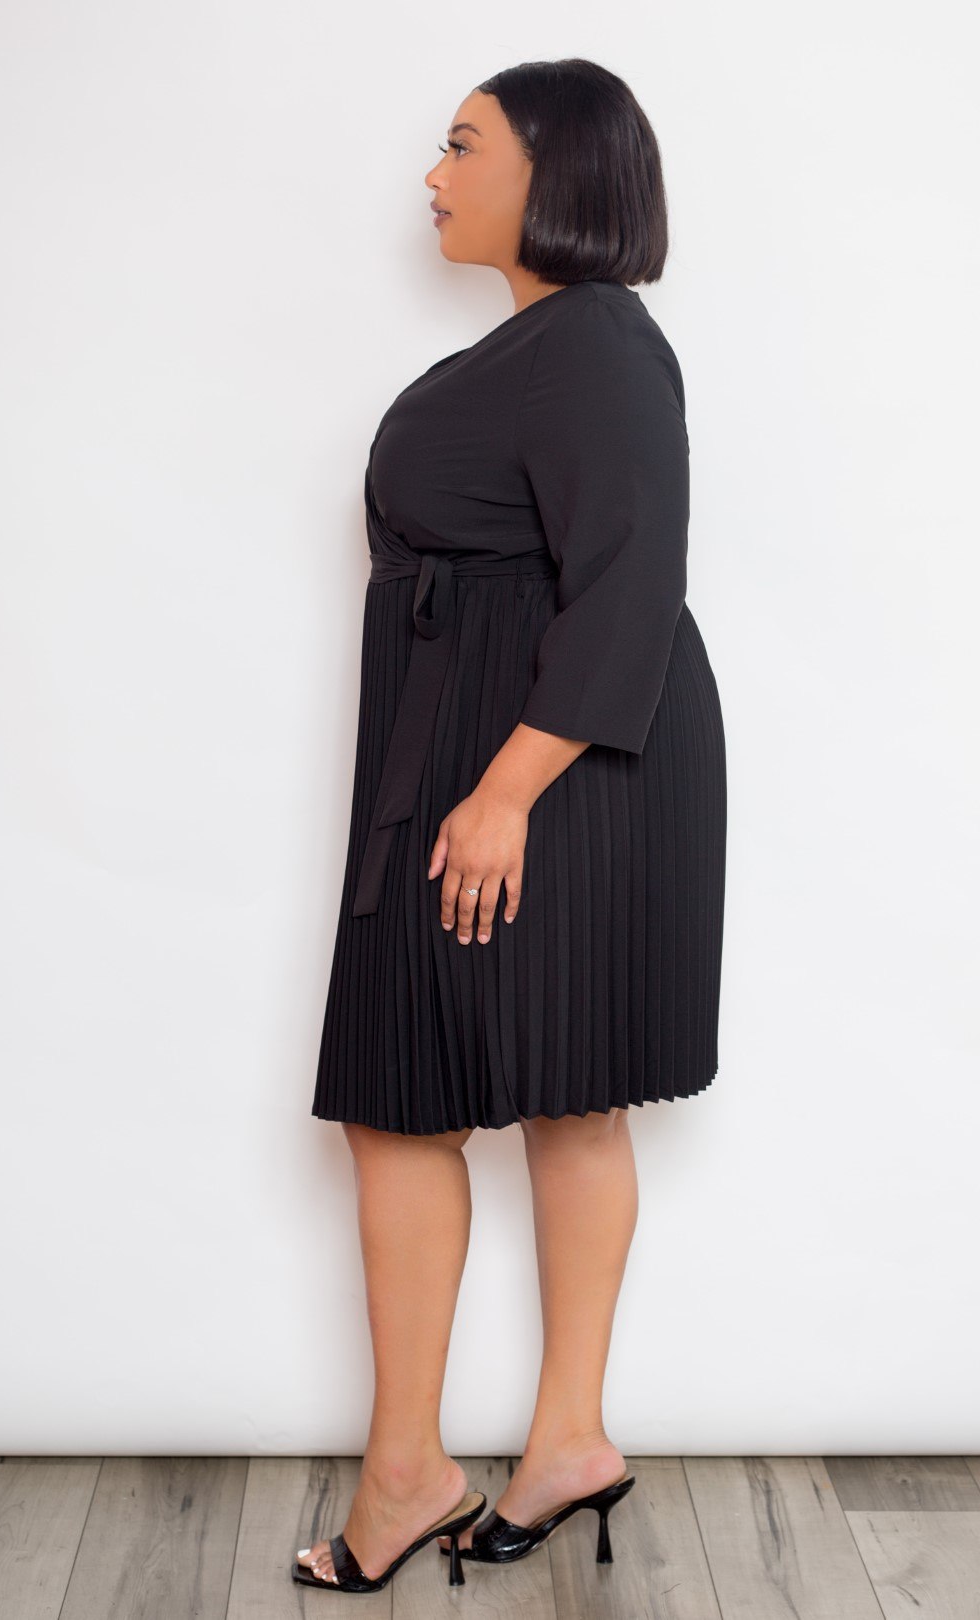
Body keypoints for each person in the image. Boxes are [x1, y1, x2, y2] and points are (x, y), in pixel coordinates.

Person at [294, 57, 727, 1593]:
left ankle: (531, 1445)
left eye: (462, 145)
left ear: (559, 169)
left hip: (552, 767)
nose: (432, 175)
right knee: (419, 1090)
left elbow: (632, 582)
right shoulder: (535, 346)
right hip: (468, 748)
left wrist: (505, 791)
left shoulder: (599, 341)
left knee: (558, 1090)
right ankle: (466, 1457)